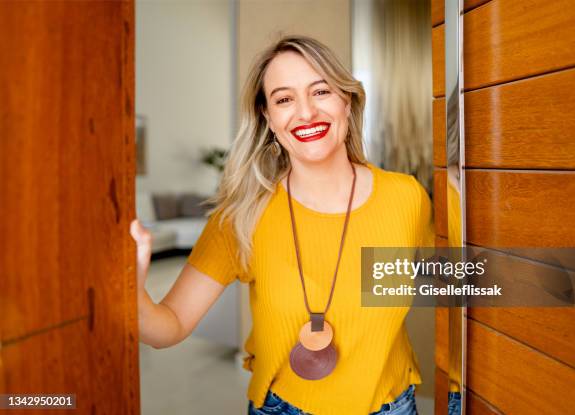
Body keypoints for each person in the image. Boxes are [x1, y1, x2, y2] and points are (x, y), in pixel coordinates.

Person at [131, 35, 433, 415]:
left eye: (320, 91)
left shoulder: (406, 198)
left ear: (347, 100)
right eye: (284, 99)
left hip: (393, 406)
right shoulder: (242, 217)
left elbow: (460, 281)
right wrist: (133, 286)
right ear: (268, 119)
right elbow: (168, 327)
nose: (305, 113)